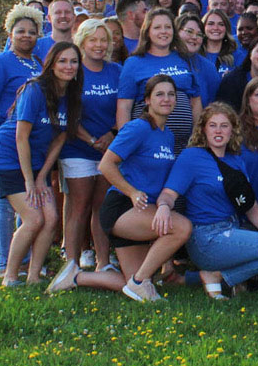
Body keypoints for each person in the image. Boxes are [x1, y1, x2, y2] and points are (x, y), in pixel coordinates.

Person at [49, 75, 192, 301]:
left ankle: (75, 278)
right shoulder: (138, 128)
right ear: (147, 100)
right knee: (182, 227)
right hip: (122, 208)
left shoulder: (168, 135)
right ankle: (138, 284)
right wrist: (132, 192)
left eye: (171, 94)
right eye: (160, 94)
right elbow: (106, 164)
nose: (166, 99)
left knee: (138, 275)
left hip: (143, 210)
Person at [153, 102, 258, 299]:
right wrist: (163, 207)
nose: (218, 130)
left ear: (232, 130)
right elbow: (169, 194)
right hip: (206, 237)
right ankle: (218, 276)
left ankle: (214, 276)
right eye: (213, 125)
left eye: (224, 125)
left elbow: (250, 206)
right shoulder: (192, 156)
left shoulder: (236, 161)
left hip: (233, 229)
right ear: (203, 130)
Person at [0, 42, 82, 286]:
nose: (68, 66)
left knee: (50, 219)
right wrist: (29, 181)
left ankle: (33, 276)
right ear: (51, 63)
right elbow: (21, 137)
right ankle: (9, 275)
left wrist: (41, 178)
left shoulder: (71, 95)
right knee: (33, 219)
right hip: (8, 159)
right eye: (62, 61)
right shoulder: (35, 89)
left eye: (73, 61)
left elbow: (59, 139)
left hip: (37, 163)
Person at [0, 4, 44, 276]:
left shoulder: (37, 63)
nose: (26, 36)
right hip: (3, 141)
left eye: (32, 32)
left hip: (28, 141)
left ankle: (25, 258)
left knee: (25, 203)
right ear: (10, 32)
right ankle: (5, 262)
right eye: (21, 31)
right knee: (4, 202)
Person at [58, 20, 121, 272]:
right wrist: (91, 140)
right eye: (93, 39)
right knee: (79, 205)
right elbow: (66, 114)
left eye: (103, 39)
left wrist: (112, 135)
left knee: (101, 206)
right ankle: (71, 263)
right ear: (82, 41)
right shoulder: (73, 70)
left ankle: (103, 262)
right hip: (78, 149)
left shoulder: (117, 70)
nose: (98, 45)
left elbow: (124, 107)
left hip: (110, 149)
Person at [117, 8, 203, 154]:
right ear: (147, 32)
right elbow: (124, 107)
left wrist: (197, 138)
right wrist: (126, 144)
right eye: (157, 27)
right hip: (147, 145)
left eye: (168, 27)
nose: (164, 31)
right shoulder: (134, 63)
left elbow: (195, 101)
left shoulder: (184, 59)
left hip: (183, 144)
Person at [175, 13, 219, 115]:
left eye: (199, 34)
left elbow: (213, 105)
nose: (194, 37)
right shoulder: (163, 59)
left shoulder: (209, 68)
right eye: (189, 32)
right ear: (176, 32)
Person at [202, 9, 238, 76]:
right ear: (203, 27)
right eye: (211, 24)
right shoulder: (195, 55)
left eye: (221, 24)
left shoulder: (237, 55)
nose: (216, 28)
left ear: (226, 28)